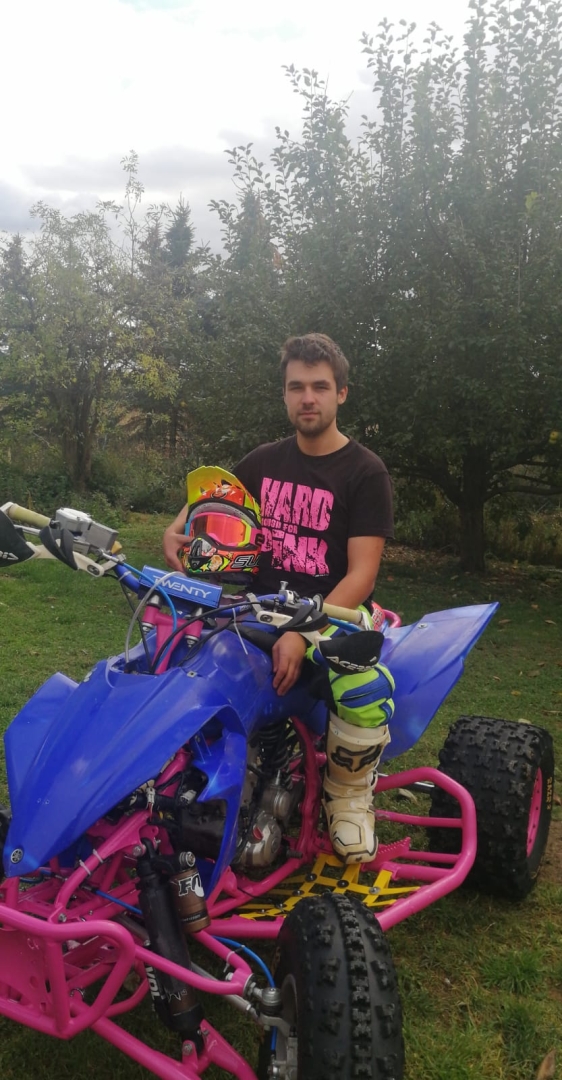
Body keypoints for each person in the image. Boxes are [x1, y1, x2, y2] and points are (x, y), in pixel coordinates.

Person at [163, 332, 394, 864]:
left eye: (319, 386)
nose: (307, 398)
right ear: (285, 394)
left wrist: (303, 630)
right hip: (255, 607)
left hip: (335, 612)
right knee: (177, 653)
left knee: (361, 681)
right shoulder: (262, 461)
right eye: (296, 387)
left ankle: (348, 795)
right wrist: (175, 533)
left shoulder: (365, 472)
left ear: (341, 393)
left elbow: (362, 573)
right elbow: (205, 505)